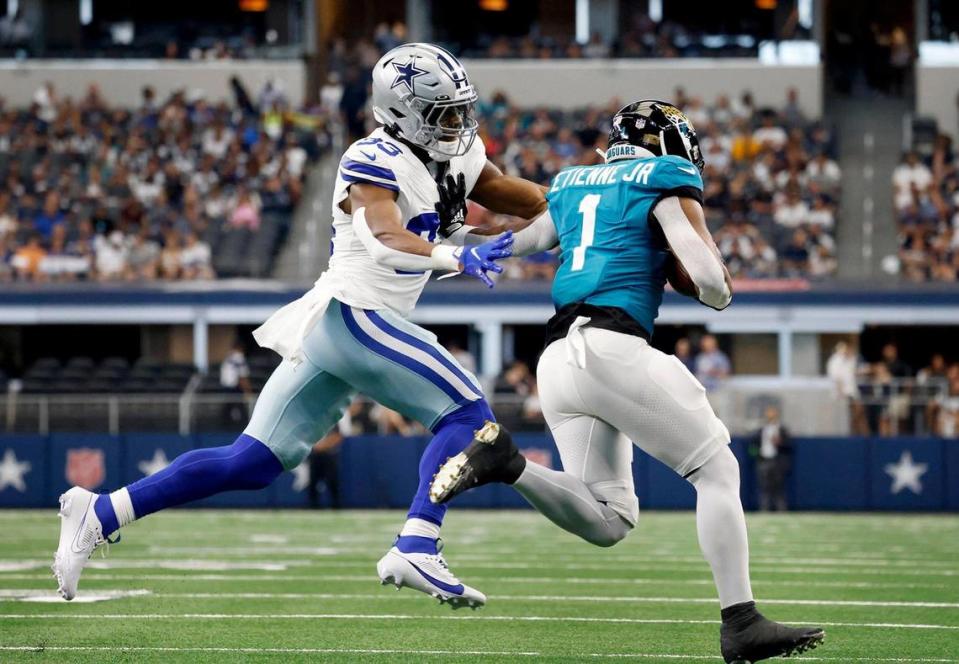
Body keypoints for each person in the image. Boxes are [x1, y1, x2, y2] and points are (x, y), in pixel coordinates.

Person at [53, 43, 549, 610]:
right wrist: (455, 257)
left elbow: (530, 201)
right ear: (402, 111)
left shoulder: (459, 156)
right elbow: (386, 238)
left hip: (346, 329)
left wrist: (587, 203)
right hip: (356, 315)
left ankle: (100, 511)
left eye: (462, 110)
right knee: (469, 418)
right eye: (445, 113)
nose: (459, 124)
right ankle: (417, 541)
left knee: (253, 460)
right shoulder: (372, 157)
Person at [429, 100, 823, 662]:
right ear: (665, 144)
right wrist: (714, 285)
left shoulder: (571, 183)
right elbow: (710, 280)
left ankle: (508, 463)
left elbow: (512, 243)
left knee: (609, 519)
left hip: (559, 359)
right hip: (614, 344)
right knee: (718, 471)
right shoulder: (663, 176)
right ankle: (741, 621)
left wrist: (441, 247)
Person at [748, 405, 792, 512]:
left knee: (778, 486)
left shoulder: (782, 430)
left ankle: (781, 509)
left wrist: (779, 443)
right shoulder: (761, 430)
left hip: (777, 461)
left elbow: (789, 446)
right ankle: (764, 508)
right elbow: (752, 446)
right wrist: (757, 455)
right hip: (764, 461)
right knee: (764, 486)